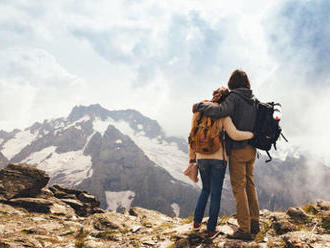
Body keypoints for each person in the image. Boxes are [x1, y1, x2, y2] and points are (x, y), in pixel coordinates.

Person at [192, 69, 260, 241]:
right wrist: (253, 136)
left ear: (232, 82)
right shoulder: (253, 99)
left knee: (239, 187)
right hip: (252, 149)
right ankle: (254, 222)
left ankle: (244, 229)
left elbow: (220, 111)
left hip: (237, 149)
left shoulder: (234, 98)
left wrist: (200, 106)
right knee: (250, 185)